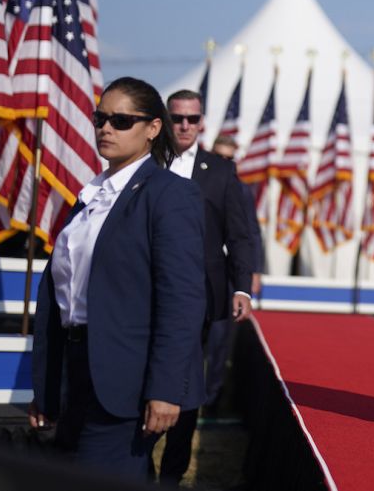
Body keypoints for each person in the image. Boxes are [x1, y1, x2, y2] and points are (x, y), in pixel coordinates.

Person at [29, 77, 206, 479]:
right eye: (101, 118)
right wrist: (46, 386)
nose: (106, 128)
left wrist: (164, 389)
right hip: (74, 376)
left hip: (127, 383)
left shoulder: (169, 194)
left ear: (153, 129)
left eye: (122, 120)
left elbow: (182, 301)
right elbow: (64, 295)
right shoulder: (92, 196)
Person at [155, 89, 262, 483]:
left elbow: (241, 234)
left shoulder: (219, 171)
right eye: (177, 118)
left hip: (197, 298)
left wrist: (241, 287)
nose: (184, 126)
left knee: (185, 382)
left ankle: (173, 470)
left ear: (202, 122)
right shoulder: (147, 162)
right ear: (165, 120)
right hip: (144, 292)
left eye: (192, 119)